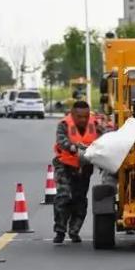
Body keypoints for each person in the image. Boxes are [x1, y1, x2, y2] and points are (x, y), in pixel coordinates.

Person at [53, 101, 104, 243]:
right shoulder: (63, 124)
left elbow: (107, 138)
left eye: (86, 116)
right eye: (79, 116)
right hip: (65, 165)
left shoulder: (96, 125)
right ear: (73, 114)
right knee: (64, 196)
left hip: (84, 168)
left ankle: (74, 230)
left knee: (79, 199)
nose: (83, 119)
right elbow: (61, 141)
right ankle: (60, 231)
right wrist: (74, 147)